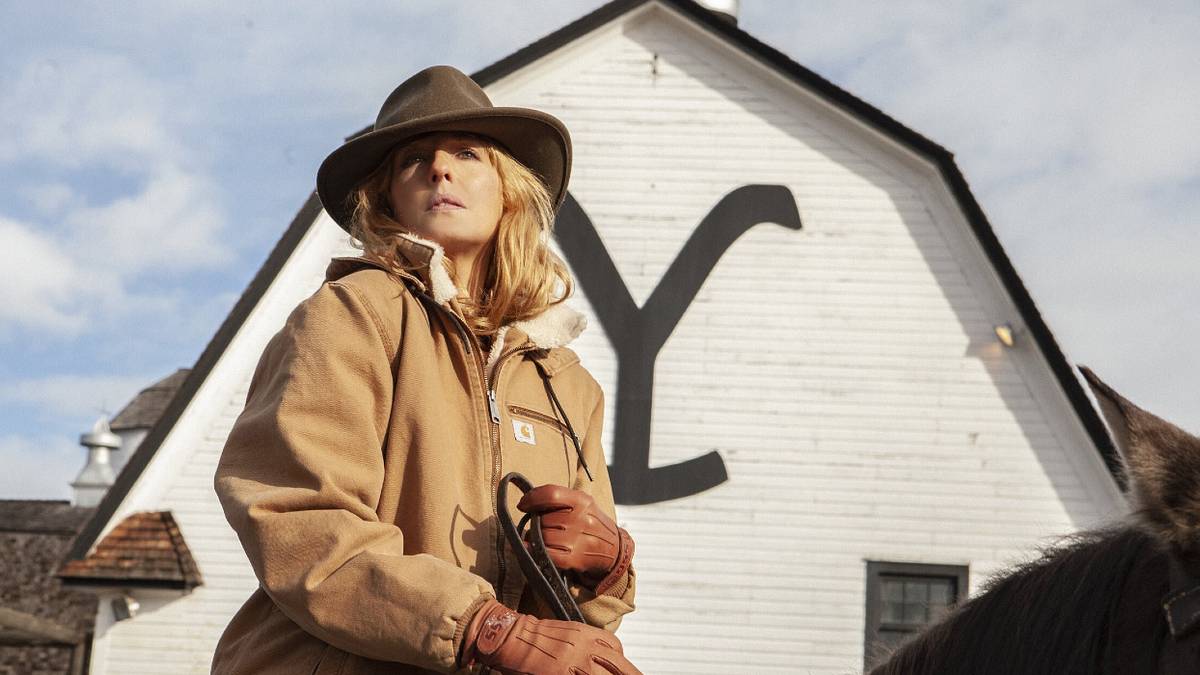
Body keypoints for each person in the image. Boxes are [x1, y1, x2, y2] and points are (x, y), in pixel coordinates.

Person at [211, 66, 641, 675]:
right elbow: (296, 515)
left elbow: (585, 614)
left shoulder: (567, 382)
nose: (440, 168)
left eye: (467, 153)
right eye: (415, 159)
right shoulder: (353, 314)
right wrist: (482, 629)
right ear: (387, 197)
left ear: (509, 190)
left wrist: (605, 569)